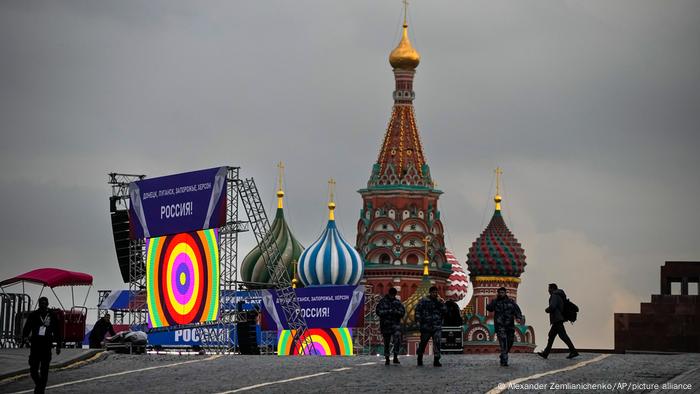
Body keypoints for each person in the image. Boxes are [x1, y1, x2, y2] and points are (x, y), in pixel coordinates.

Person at [22, 297, 62, 394]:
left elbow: (57, 331)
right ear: (39, 304)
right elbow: (27, 327)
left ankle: (40, 390)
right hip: (35, 344)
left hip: (47, 345)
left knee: (45, 370)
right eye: (41, 303)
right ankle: (39, 384)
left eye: (45, 303)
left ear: (47, 304)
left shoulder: (52, 315)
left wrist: (58, 345)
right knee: (33, 369)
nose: (43, 305)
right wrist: (25, 338)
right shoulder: (34, 315)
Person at [537, 283, 579, 359]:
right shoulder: (560, 295)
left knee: (563, 336)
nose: (548, 291)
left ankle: (573, 351)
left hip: (557, 319)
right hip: (558, 319)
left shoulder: (554, 295)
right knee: (551, 335)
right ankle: (546, 353)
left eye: (549, 289)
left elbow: (553, 306)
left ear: (552, 289)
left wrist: (547, 310)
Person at [486, 287, 523, 366]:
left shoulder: (511, 302)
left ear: (505, 293)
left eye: (503, 292)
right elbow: (489, 308)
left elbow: (517, 310)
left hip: (510, 325)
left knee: (510, 342)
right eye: (500, 293)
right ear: (498, 293)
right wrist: (493, 302)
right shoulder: (496, 302)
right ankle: (504, 360)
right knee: (503, 343)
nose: (501, 294)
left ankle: (503, 354)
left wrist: (518, 318)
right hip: (500, 326)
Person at [415, 286, 446, 367]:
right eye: (433, 292)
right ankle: (420, 358)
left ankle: (436, 360)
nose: (435, 294)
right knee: (423, 343)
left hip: (436, 326)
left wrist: (441, 303)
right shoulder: (424, 301)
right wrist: (418, 321)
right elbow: (418, 310)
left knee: (437, 342)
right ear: (430, 292)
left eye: (436, 292)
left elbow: (445, 311)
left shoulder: (439, 301)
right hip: (426, 326)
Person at [375, 287, 405, 365]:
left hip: (395, 325)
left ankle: (395, 356)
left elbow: (402, 312)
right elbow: (378, 311)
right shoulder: (383, 302)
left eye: (394, 295)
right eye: (392, 294)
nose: (392, 296)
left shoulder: (397, 302)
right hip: (386, 325)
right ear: (389, 294)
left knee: (397, 340)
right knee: (387, 342)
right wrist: (388, 312)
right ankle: (387, 358)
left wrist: (396, 312)